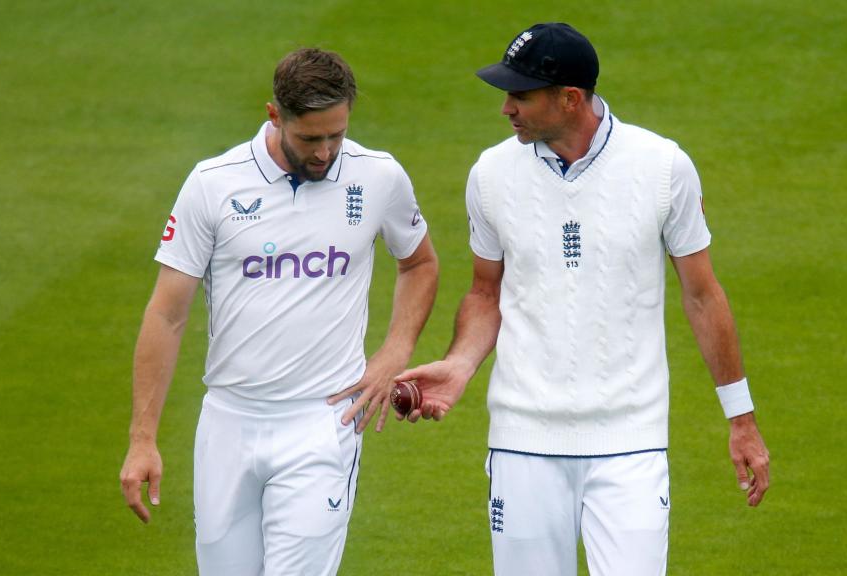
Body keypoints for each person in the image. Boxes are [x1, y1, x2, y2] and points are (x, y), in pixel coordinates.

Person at [395, 23, 770, 575]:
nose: (506, 109)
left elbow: (702, 295)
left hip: (631, 442)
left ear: (569, 99)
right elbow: (485, 291)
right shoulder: (491, 174)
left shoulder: (663, 168)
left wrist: (741, 419)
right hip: (523, 439)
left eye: (520, 96)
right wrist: (459, 364)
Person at [119, 47, 438, 576]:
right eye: (311, 138)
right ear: (275, 115)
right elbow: (166, 315)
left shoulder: (378, 177)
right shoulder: (213, 184)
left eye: (337, 134)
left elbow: (420, 263)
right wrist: (141, 440)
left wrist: (394, 350)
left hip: (324, 419)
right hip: (228, 421)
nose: (326, 152)